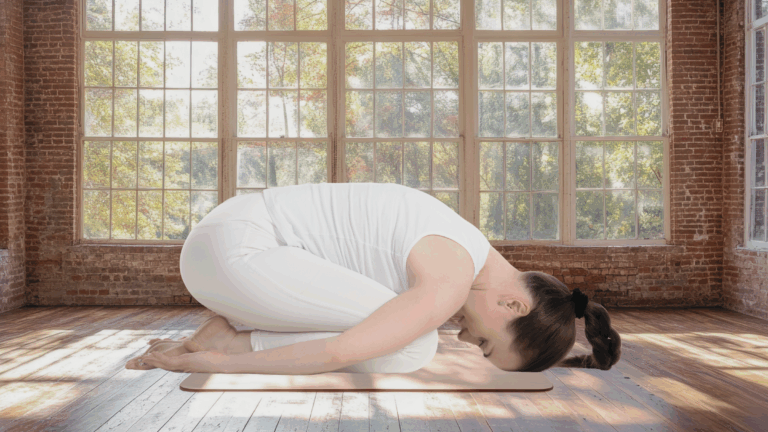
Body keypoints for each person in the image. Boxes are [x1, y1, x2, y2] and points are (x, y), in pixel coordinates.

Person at [126, 182, 621, 373]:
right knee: (412, 345)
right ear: (514, 306)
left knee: (401, 334)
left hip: (226, 248)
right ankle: (231, 344)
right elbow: (342, 351)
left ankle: (230, 333)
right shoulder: (450, 277)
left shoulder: (462, 241)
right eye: (486, 343)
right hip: (238, 251)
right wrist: (216, 366)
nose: (466, 338)